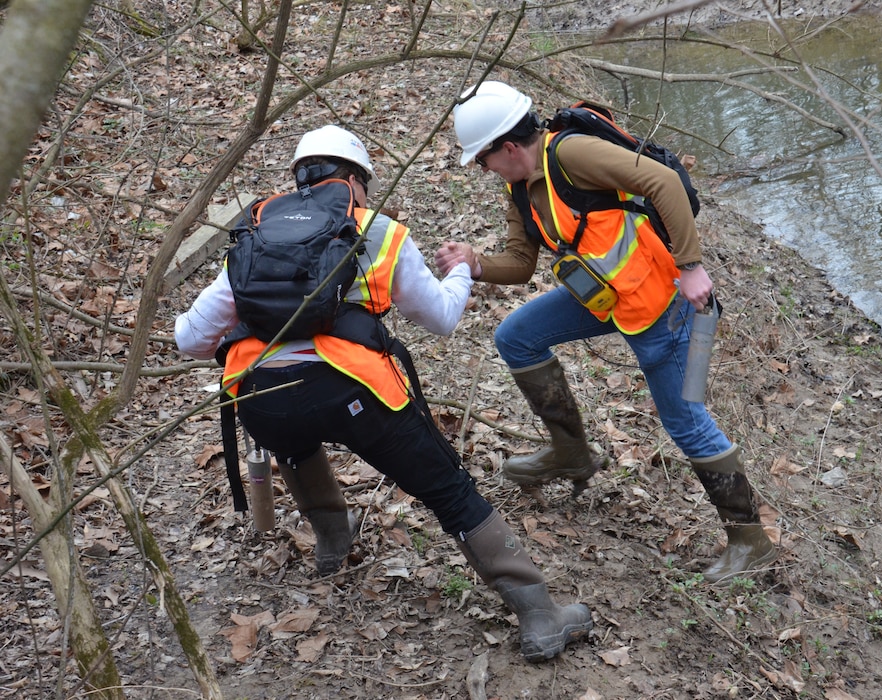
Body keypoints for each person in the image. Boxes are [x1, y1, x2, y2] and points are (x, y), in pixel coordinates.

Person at [174, 124, 592, 662]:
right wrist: (463, 270)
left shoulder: (255, 234)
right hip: (358, 391)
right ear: (355, 180)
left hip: (260, 397)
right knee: (448, 490)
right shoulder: (378, 231)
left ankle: (331, 544)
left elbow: (190, 339)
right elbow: (440, 317)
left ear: (299, 176)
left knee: (294, 436)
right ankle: (539, 614)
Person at [435, 82, 777, 585]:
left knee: (685, 422)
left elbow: (663, 182)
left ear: (507, 147)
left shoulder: (572, 153)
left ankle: (750, 540)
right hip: (607, 298)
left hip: (663, 303)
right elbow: (521, 263)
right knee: (516, 336)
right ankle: (572, 452)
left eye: (482, 160)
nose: (483, 171)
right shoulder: (521, 187)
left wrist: (692, 266)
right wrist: (476, 264)